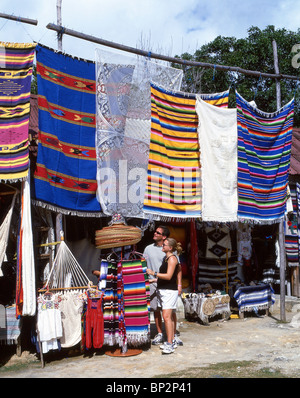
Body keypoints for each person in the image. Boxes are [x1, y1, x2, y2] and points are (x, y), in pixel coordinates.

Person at [143, 226, 183, 348]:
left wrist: (179, 284)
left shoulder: (171, 252)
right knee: (156, 309)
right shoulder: (148, 248)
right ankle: (160, 333)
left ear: (164, 236)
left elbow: (178, 269)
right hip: (154, 282)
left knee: (170, 312)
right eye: (155, 231)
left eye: (158, 232)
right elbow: (143, 262)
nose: (154, 233)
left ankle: (173, 336)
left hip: (167, 283)